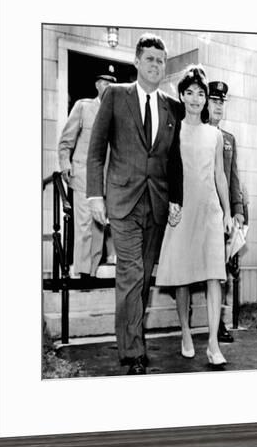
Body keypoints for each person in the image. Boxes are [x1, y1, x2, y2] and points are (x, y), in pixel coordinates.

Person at [87, 34, 183, 375]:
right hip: (122, 200)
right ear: (137, 62)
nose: (156, 65)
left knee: (143, 280)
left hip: (155, 204)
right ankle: (132, 352)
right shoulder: (115, 96)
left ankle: (132, 335)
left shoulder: (172, 107)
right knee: (131, 274)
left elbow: (173, 158)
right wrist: (94, 195)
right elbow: (96, 149)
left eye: (161, 60)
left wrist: (175, 198)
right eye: (150, 59)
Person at [156, 66, 232, 366]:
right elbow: (164, 172)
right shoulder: (173, 130)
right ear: (182, 96)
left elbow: (220, 175)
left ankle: (213, 343)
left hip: (210, 211)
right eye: (190, 93)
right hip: (183, 211)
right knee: (183, 277)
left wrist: (227, 212)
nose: (196, 99)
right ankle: (186, 332)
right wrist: (170, 204)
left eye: (201, 94)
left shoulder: (214, 134)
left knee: (215, 275)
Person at [58, 73, 117, 278]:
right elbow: (66, 140)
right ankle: (82, 272)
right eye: (105, 83)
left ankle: (91, 272)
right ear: (97, 85)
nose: (108, 86)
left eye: (112, 84)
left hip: (103, 179)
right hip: (83, 174)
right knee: (83, 226)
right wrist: (65, 164)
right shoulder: (83, 107)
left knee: (99, 226)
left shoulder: (115, 112)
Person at [208, 80, 245, 343]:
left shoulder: (228, 139)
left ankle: (220, 323)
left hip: (222, 218)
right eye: (214, 101)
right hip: (198, 213)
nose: (218, 106)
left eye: (222, 102)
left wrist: (237, 211)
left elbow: (233, 179)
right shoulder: (193, 132)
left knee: (222, 272)